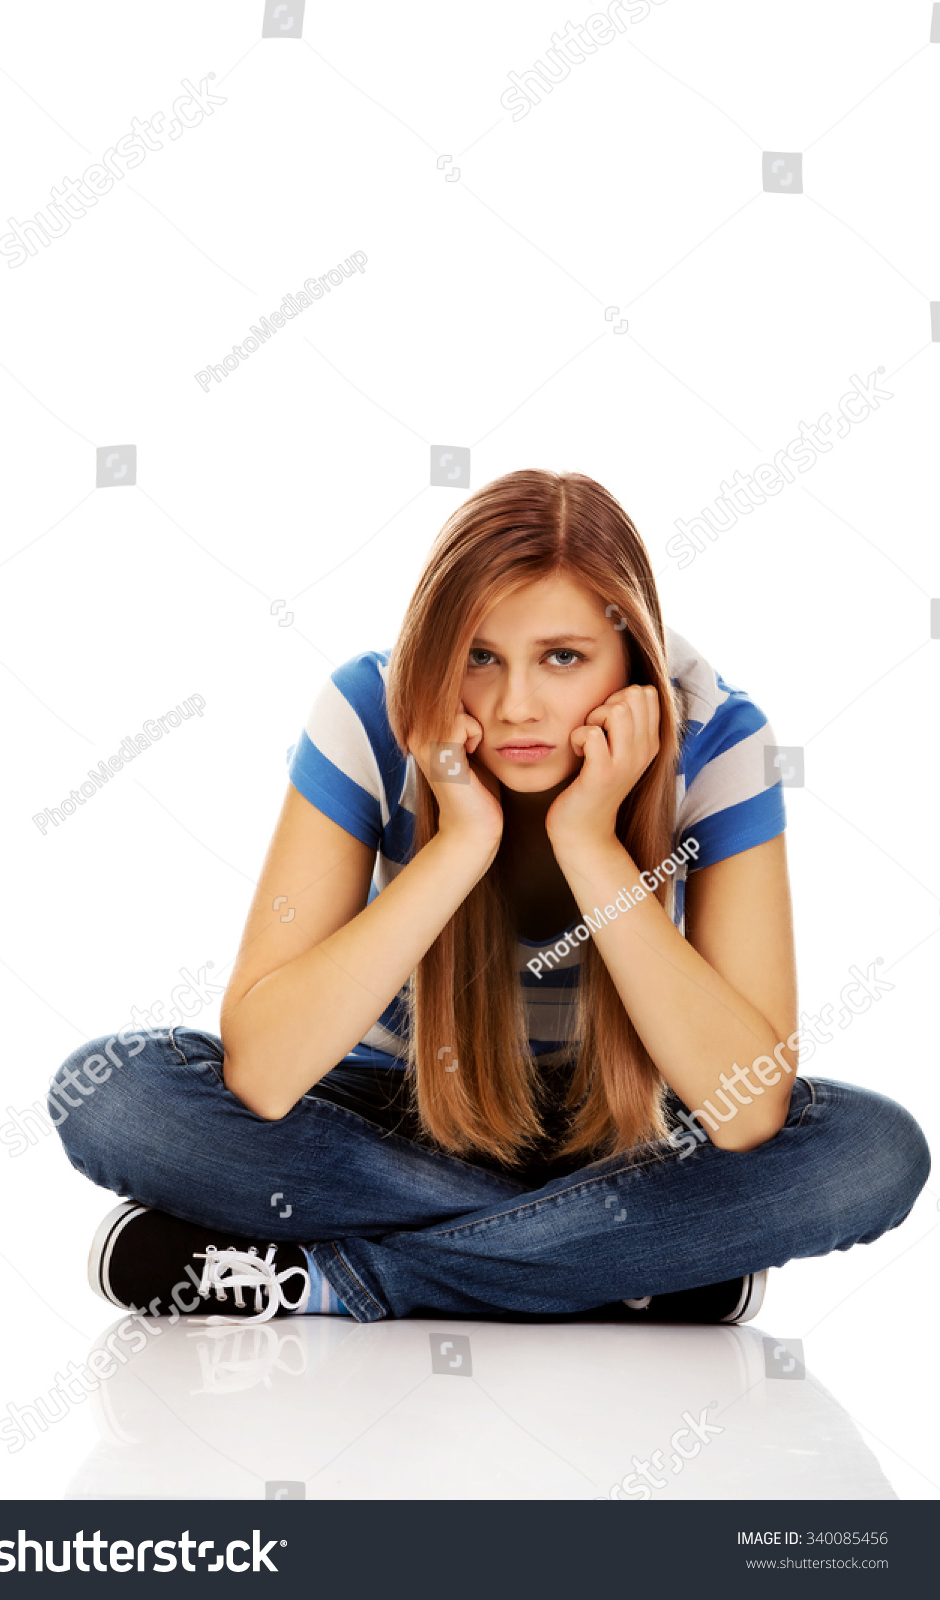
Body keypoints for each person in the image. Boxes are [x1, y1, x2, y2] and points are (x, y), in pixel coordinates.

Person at [51, 469, 930, 1327]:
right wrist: (460, 839)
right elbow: (266, 1071)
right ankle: (612, 1262)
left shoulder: (717, 739)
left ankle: (346, 1278)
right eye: (478, 657)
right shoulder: (369, 710)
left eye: (562, 658)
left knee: (870, 1154)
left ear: (631, 659)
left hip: (616, 1128)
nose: (515, 706)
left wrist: (589, 842)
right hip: (398, 1107)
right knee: (113, 1098)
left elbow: (746, 1110)